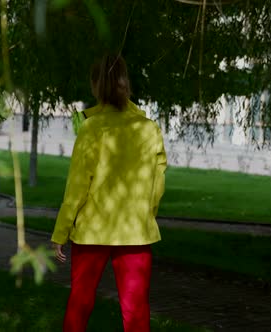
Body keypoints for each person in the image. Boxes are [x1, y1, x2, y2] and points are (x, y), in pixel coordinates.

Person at [51, 54, 167, 332]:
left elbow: (77, 186)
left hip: (92, 231)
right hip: (135, 232)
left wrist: (60, 231)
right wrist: (146, 214)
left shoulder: (91, 128)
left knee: (80, 303)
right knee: (136, 311)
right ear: (125, 83)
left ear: (95, 86)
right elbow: (157, 182)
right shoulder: (149, 129)